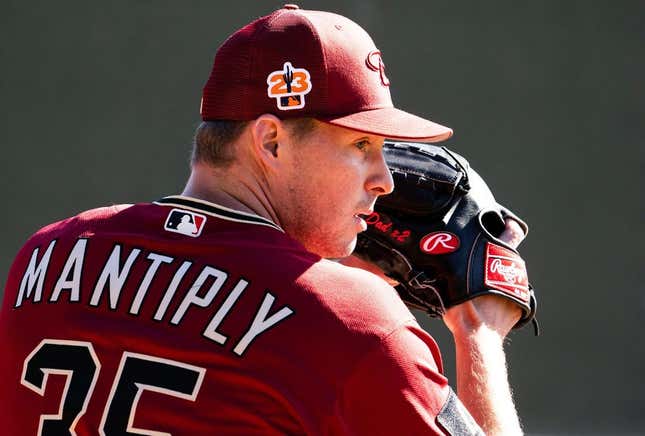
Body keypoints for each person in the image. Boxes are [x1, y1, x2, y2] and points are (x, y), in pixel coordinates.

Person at [0, 5, 525, 435]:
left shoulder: (47, 257)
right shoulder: (360, 324)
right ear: (271, 140)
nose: (384, 179)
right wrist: (477, 329)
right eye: (362, 145)